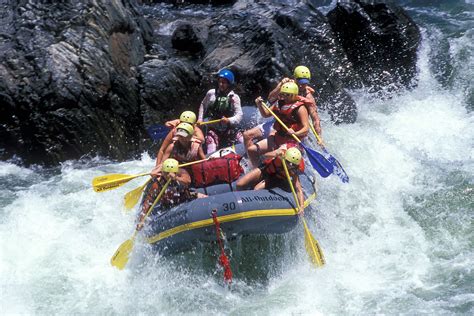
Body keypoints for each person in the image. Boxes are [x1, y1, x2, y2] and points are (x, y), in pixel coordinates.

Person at [243, 66, 322, 153]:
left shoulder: (308, 96)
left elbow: (315, 119)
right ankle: (251, 160)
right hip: (278, 122)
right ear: (294, 78)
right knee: (247, 135)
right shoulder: (286, 86)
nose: (301, 85)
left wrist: (319, 137)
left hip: (294, 128)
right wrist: (280, 86)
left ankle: (270, 159)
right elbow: (271, 99)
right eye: (299, 82)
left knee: (272, 135)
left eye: (304, 83)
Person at [247, 82, 311, 168]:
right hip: (278, 137)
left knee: (268, 156)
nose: (284, 97)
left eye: (287, 95)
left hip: (291, 142)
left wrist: (295, 133)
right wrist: (259, 105)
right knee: (251, 150)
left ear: (294, 95)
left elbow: (306, 128)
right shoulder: (279, 103)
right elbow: (265, 114)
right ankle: (257, 170)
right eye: (283, 94)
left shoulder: (300, 108)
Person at [138, 158, 205, 228]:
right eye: (165, 173)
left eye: (169, 173)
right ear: (162, 172)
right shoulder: (157, 184)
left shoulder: (181, 172)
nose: (167, 175)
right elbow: (148, 202)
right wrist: (142, 220)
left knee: (202, 197)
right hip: (168, 206)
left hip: (186, 198)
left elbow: (188, 181)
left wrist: (175, 178)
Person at [236, 147, 305, 214]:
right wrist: (276, 153)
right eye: (288, 162)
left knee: (256, 189)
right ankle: (235, 201)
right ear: (285, 158)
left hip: (276, 178)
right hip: (265, 169)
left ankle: (247, 208)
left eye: (293, 165)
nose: (290, 166)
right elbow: (265, 155)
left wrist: (301, 207)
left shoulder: (294, 170)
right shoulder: (280, 155)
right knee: (239, 184)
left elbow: (298, 189)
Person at [197, 69, 243, 154]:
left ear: (229, 84)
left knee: (243, 140)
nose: (221, 84)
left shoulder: (234, 97)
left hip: (230, 128)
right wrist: (200, 119)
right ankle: (211, 161)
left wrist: (229, 120)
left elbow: (239, 115)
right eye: (220, 82)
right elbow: (203, 105)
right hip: (214, 128)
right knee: (212, 146)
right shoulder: (211, 93)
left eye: (224, 82)